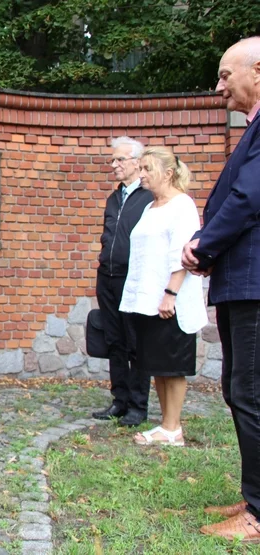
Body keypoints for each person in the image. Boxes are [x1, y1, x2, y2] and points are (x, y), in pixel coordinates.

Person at [180, 37, 260, 541]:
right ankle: (254, 496)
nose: (219, 86)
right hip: (242, 281)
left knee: (250, 393)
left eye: (226, 74)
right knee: (241, 390)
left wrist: (203, 245)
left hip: (254, 285)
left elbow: (248, 197)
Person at [118, 147, 207, 446]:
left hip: (171, 301)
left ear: (168, 173)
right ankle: (167, 426)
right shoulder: (150, 206)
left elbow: (181, 252)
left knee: (173, 365)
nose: (141, 174)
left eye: (147, 168)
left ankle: (173, 428)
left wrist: (170, 293)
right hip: (147, 301)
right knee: (157, 364)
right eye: (140, 167)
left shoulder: (182, 205)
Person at [92, 137, 154, 427]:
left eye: (119, 160)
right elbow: (109, 233)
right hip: (108, 276)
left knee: (136, 342)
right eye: (113, 160)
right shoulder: (114, 197)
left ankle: (138, 406)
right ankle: (119, 400)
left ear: (136, 163)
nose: (113, 164)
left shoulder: (149, 197)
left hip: (134, 278)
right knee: (114, 340)